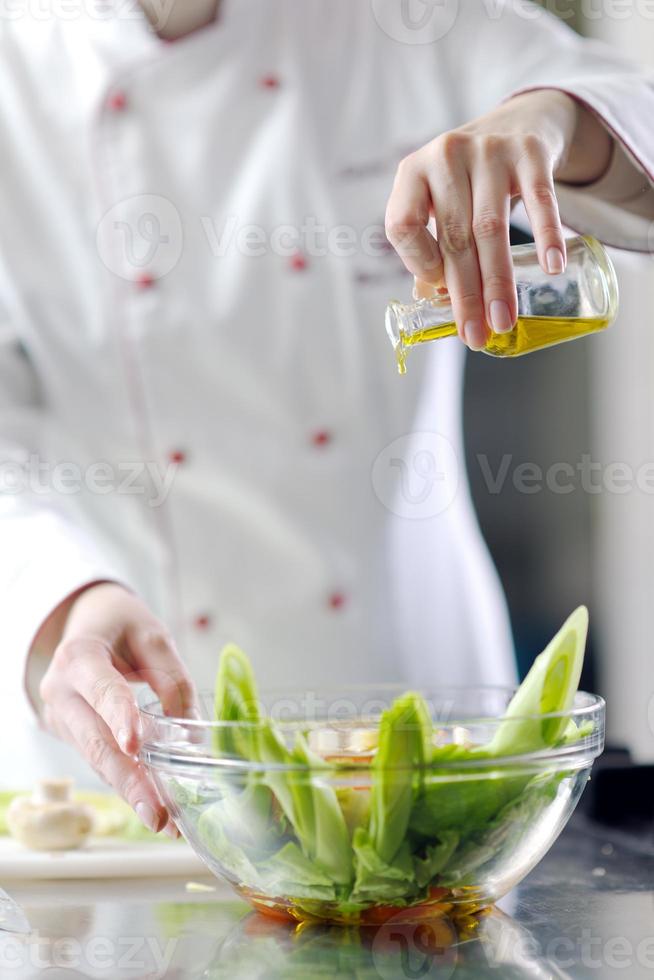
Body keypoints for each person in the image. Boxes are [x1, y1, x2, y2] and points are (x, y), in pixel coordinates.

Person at [1, 0, 653, 834]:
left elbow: (634, 116)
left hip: (422, 731)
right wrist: (62, 604)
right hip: (128, 751)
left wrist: (556, 117)